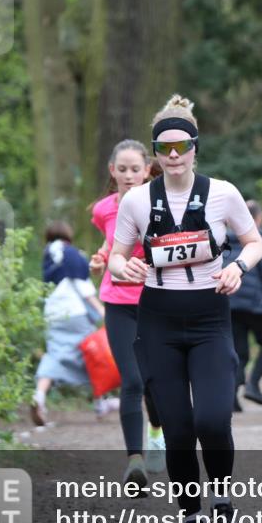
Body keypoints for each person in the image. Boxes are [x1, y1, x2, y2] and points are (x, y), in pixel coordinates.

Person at [108, 94, 262, 523]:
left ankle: (223, 504)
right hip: (158, 320)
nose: (174, 155)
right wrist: (123, 267)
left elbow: (253, 242)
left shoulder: (223, 193)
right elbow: (116, 256)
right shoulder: (137, 200)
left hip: (209, 316)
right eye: (165, 148)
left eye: (182, 147)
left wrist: (238, 267)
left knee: (212, 420)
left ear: (196, 147)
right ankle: (192, 520)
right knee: (177, 430)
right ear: (155, 152)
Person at [89, 140, 166, 487]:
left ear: (148, 170)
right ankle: (134, 461)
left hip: (155, 300)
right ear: (112, 171)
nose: (129, 175)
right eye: (122, 169)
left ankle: (157, 431)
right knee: (132, 380)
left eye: (135, 169)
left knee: (153, 380)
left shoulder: (162, 203)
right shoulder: (103, 209)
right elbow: (111, 241)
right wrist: (101, 259)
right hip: (118, 302)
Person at [29, 222, 110, 423]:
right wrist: (101, 310)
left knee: (55, 355)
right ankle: (100, 402)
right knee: (92, 354)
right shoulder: (71, 253)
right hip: (75, 313)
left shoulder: (48, 255)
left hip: (53, 314)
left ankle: (39, 395)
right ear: (67, 235)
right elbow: (82, 286)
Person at [226, 200, 262, 410]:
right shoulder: (261, 242)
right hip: (256, 306)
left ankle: (232, 398)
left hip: (231, 303)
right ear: (258, 219)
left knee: (239, 352)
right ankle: (253, 384)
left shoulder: (224, 242)